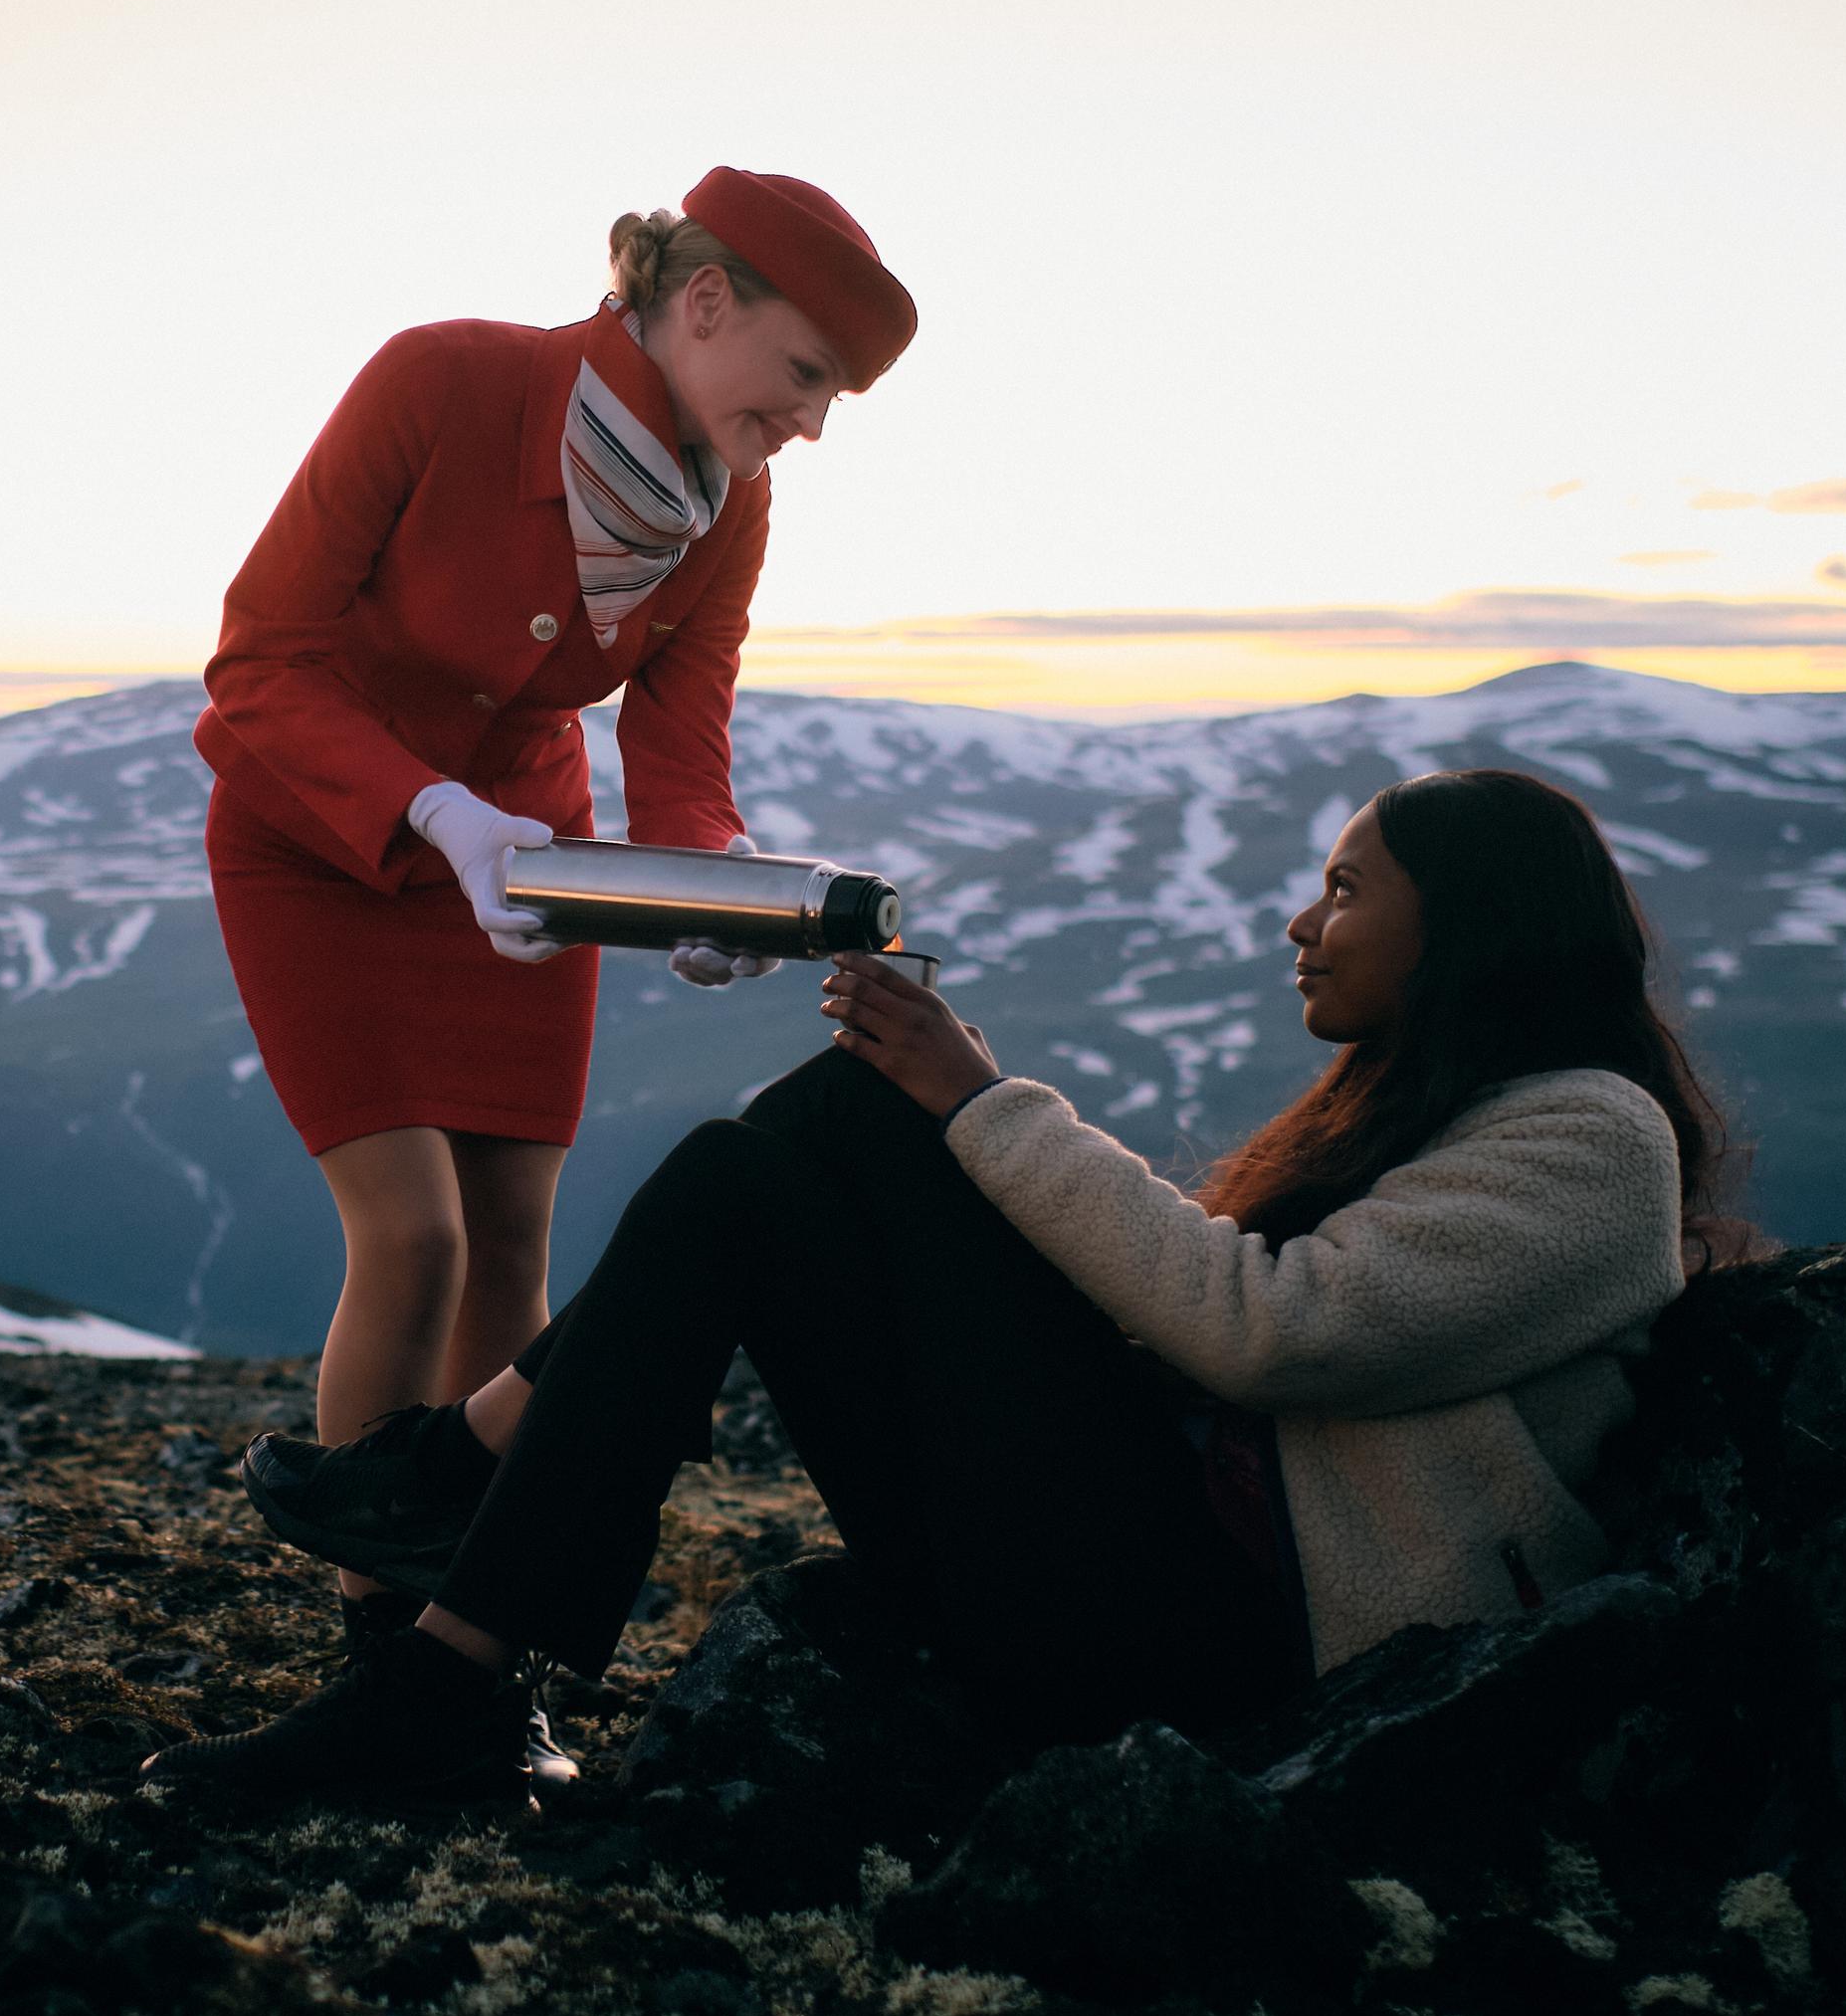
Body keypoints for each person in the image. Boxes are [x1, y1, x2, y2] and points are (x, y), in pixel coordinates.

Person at [147, 767, 1743, 1799]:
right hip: (1141, 1575)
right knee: (751, 1171)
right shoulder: (1443, 1110)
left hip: (1251, 1660)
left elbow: (1272, 1333)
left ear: (1462, 928)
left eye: (1346, 890)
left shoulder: (1591, 1141)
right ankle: (455, 1649)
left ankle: (453, 1521)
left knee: (844, 1118)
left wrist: (982, 1106)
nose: (1302, 922)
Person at [190, 169, 920, 1773]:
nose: (808, 424)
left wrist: (704, 882)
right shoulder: (442, 382)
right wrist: (431, 815)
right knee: (415, 1231)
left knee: (515, 1234)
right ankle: (386, 1652)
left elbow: (680, 722)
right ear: (708, 302)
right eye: (805, 377)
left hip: (531, 857)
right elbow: (258, 657)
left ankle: (477, 1647)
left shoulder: (727, 505)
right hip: (318, 840)